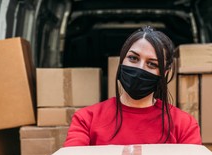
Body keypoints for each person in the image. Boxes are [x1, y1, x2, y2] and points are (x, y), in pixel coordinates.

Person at [64, 26, 202, 146]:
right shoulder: (86, 119)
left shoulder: (184, 125)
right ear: (122, 60)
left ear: (164, 74)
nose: (140, 69)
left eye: (152, 64)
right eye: (133, 58)